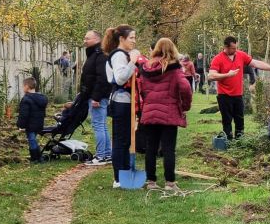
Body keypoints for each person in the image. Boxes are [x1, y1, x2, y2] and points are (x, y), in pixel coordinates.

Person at [138, 38, 193, 192]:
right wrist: (184, 106)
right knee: (168, 149)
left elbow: (141, 88)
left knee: (150, 148)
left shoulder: (146, 67)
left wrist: (147, 101)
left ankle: (151, 181)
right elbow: (186, 88)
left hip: (150, 112)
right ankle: (169, 183)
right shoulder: (175, 68)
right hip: (169, 113)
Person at [208, 36, 270, 139]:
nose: (235, 50)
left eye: (236, 48)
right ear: (226, 47)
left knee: (240, 120)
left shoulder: (241, 55)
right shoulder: (218, 59)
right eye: (232, 48)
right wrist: (227, 75)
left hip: (238, 95)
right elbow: (211, 76)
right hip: (224, 96)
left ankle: (240, 142)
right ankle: (228, 142)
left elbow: (256, 63)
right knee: (227, 121)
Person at [103, 24, 141, 189]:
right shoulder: (118, 55)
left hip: (127, 101)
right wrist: (132, 62)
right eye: (131, 37)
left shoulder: (123, 54)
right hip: (120, 102)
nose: (134, 41)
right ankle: (118, 178)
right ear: (121, 39)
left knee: (125, 140)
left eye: (134, 37)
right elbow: (120, 79)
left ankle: (126, 173)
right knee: (120, 140)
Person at [81, 30, 112, 165]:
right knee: (102, 125)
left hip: (97, 97)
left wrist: (96, 97)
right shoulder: (95, 53)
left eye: (87, 38)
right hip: (96, 95)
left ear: (96, 39)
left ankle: (100, 156)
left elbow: (102, 78)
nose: (85, 40)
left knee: (98, 125)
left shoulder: (100, 55)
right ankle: (107, 154)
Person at [16, 77, 47, 163]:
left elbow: (24, 115)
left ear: (26, 86)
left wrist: (20, 125)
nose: (22, 88)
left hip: (30, 124)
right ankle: (38, 157)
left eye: (23, 86)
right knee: (33, 139)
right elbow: (43, 113)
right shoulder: (42, 98)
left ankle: (35, 158)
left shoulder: (26, 99)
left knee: (32, 140)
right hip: (39, 123)